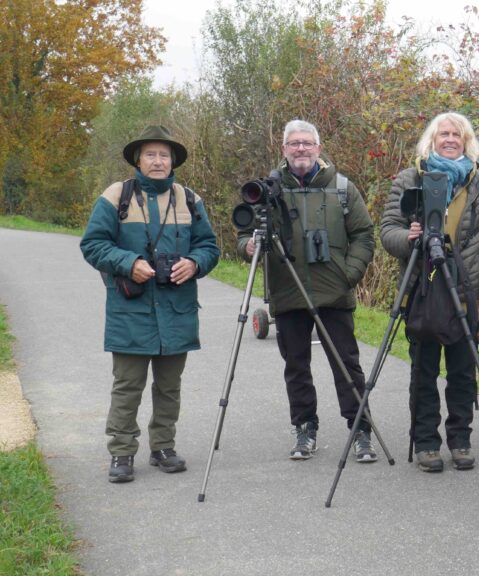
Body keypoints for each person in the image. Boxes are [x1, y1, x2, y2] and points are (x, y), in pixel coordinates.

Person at [81, 125, 220, 483]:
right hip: (131, 310)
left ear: (172, 160)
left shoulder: (190, 199)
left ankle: (163, 447)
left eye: (164, 155)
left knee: (169, 387)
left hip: (177, 310)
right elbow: (92, 244)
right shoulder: (116, 196)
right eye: (151, 154)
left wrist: (195, 263)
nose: (158, 161)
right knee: (127, 385)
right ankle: (122, 452)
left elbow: (209, 247)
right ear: (138, 160)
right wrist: (129, 263)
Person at [238, 119, 377, 463]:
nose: (301, 148)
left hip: (335, 293)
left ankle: (360, 429)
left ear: (318, 147)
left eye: (307, 143)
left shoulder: (342, 188)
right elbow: (244, 232)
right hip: (287, 293)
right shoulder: (267, 189)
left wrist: (350, 274)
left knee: (347, 366)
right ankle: (304, 428)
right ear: (284, 149)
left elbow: (364, 235)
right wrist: (248, 248)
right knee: (296, 366)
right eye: (294, 143)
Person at [380, 112, 479, 473]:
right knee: (423, 371)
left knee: (463, 373)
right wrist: (409, 237)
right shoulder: (409, 178)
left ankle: (460, 440)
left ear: (467, 142)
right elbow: (388, 230)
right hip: (421, 290)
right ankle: (426, 442)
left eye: (457, 134)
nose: (450, 139)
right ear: (431, 140)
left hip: (467, 292)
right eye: (444, 134)